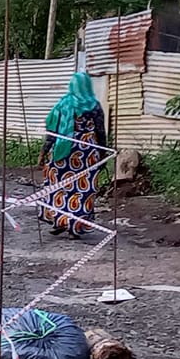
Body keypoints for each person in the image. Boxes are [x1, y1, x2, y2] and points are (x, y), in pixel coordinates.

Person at [39, 70, 106, 237]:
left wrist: (44, 152)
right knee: (83, 189)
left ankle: (60, 220)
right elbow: (100, 132)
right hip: (88, 153)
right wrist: (103, 155)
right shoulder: (94, 105)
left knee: (58, 186)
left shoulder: (63, 104)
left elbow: (52, 132)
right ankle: (74, 226)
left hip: (63, 152)